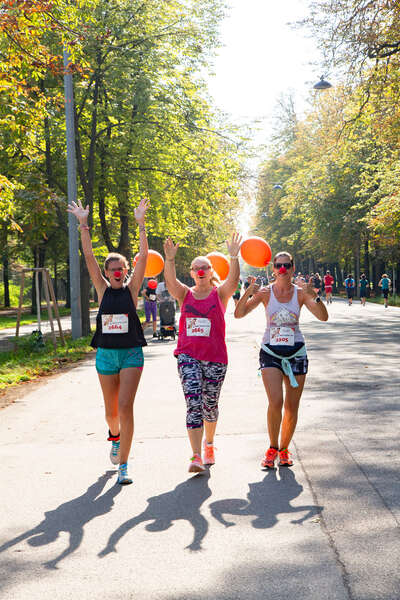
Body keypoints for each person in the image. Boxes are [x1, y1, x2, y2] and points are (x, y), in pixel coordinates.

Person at [67, 197, 149, 485]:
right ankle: (114, 437)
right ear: (106, 272)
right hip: (105, 355)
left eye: (120, 268)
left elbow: (144, 257)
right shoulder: (102, 288)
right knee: (111, 412)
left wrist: (141, 224)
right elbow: (88, 257)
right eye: (111, 268)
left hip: (130, 354)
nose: (116, 272)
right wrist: (83, 225)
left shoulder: (132, 288)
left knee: (126, 406)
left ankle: (124, 465)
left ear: (126, 270)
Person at [234, 251, 328, 469]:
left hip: (296, 353)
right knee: (275, 402)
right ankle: (272, 447)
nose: (282, 269)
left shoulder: (301, 293)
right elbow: (239, 314)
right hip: (271, 352)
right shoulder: (266, 293)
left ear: (292, 268)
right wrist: (248, 291)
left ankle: (284, 449)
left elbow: (323, 316)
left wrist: (314, 294)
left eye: (286, 265)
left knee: (291, 407)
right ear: (273, 268)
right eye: (278, 265)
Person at [163, 233, 242, 473]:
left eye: (204, 267)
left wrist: (234, 256)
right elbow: (169, 282)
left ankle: (209, 444)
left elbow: (233, 280)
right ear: (191, 272)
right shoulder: (184, 294)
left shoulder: (219, 294)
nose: (200, 271)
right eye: (196, 268)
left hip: (216, 358)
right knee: (194, 402)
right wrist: (170, 260)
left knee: (210, 405)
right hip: (188, 356)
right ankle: (195, 455)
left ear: (211, 271)